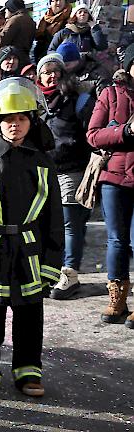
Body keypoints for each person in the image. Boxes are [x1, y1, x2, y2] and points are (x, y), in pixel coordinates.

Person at [0, 77, 63, 398]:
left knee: (30, 312)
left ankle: (28, 369)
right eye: (8, 119)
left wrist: (51, 263)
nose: (15, 125)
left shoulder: (44, 163)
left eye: (21, 118)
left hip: (31, 253)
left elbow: (53, 220)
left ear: (31, 121)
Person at [35, 53, 94, 299]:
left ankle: (70, 274)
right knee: (45, 224)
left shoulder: (77, 99)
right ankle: (49, 271)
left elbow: (91, 133)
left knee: (71, 224)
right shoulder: (34, 100)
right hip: (42, 172)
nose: (51, 75)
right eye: (46, 71)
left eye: (55, 71)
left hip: (72, 170)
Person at [86, 43, 134, 329]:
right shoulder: (110, 94)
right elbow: (93, 135)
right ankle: (117, 298)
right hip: (115, 179)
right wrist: (125, 131)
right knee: (117, 240)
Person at [0, 0, 36, 70]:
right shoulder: (30, 20)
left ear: (11, 9)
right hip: (24, 58)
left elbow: (1, 41)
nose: (5, 12)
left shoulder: (14, 20)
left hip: (12, 59)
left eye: (6, 9)